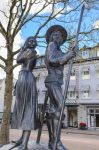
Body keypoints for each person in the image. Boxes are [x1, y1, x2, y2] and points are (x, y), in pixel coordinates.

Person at [44, 25, 76, 150]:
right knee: (60, 106)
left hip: (56, 81)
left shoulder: (58, 49)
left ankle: (53, 143)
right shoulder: (51, 45)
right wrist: (67, 56)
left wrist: (71, 51)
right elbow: (52, 60)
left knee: (54, 111)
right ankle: (56, 143)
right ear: (52, 37)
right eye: (55, 34)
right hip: (53, 80)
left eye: (60, 35)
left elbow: (63, 58)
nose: (58, 37)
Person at [11, 36, 37, 150]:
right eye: (29, 40)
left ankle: (24, 144)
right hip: (23, 77)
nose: (32, 42)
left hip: (26, 78)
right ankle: (22, 139)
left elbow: (18, 59)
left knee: (27, 110)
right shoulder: (30, 51)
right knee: (23, 108)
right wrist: (16, 85)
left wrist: (22, 49)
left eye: (33, 41)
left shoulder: (29, 51)